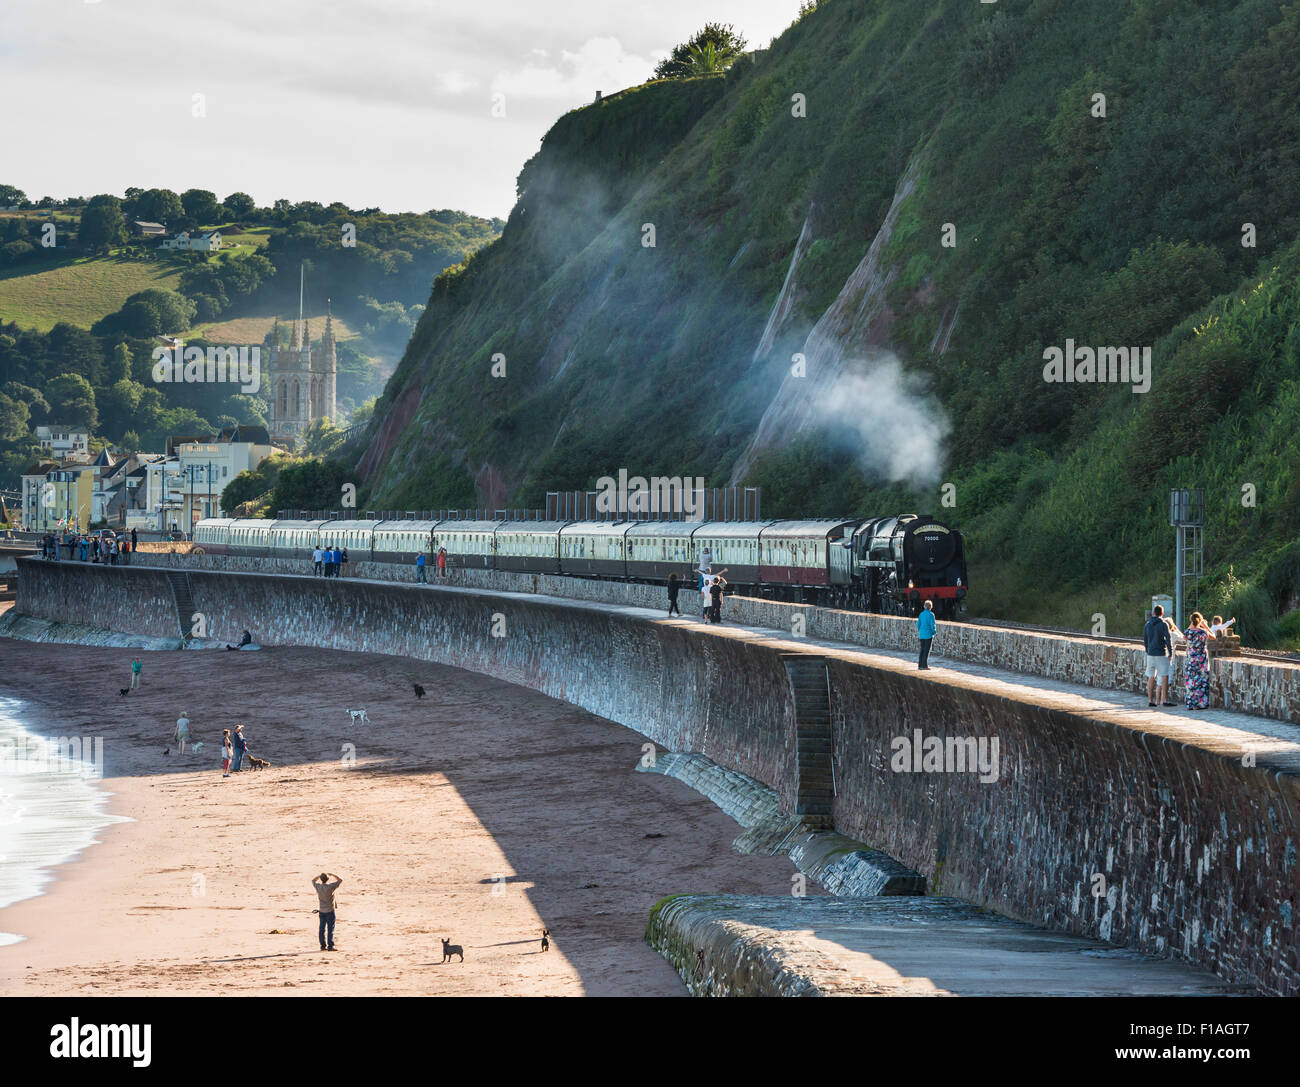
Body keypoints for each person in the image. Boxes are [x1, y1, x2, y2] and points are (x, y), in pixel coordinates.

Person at [1183, 611, 1216, 710]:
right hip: (1201, 660)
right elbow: (1213, 637)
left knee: (1191, 681)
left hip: (1191, 660)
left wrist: (1193, 623)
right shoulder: (1203, 631)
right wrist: (1205, 625)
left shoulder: (1188, 632)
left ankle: (1190, 703)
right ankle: (1201, 703)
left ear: (1191, 621)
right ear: (1200, 620)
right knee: (1201, 681)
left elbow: (1186, 634)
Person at [1143, 604, 1173, 707]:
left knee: (1151, 677)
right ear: (1162, 613)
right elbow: (1168, 639)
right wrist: (1170, 653)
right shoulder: (1163, 624)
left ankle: (1150, 701)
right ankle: (1164, 700)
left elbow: (1145, 640)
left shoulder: (1147, 624)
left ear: (1153, 613)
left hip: (1150, 654)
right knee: (1164, 676)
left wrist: (1148, 651)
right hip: (1161, 653)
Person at [313, 872, 342, 951]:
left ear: (321, 879)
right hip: (330, 911)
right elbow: (340, 880)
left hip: (322, 911)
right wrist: (333, 875)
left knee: (322, 929)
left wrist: (319, 876)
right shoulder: (330, 887)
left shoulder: (318, 887)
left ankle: (323, 946)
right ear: (327, 879)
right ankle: (330, 946)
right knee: (330, 929)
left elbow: (313, 880)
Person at [917, 599, 936, 669]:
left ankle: (920, 665)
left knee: (922, 649)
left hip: (921, 634)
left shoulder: (921, 614)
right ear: (931, 607)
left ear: (924, 607)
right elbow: (932, 625)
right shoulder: (931, 615)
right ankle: (924, 665)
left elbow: (918, 624)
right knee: (926, 650)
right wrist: (934, 632)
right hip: (928, 635)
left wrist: (920, 631)